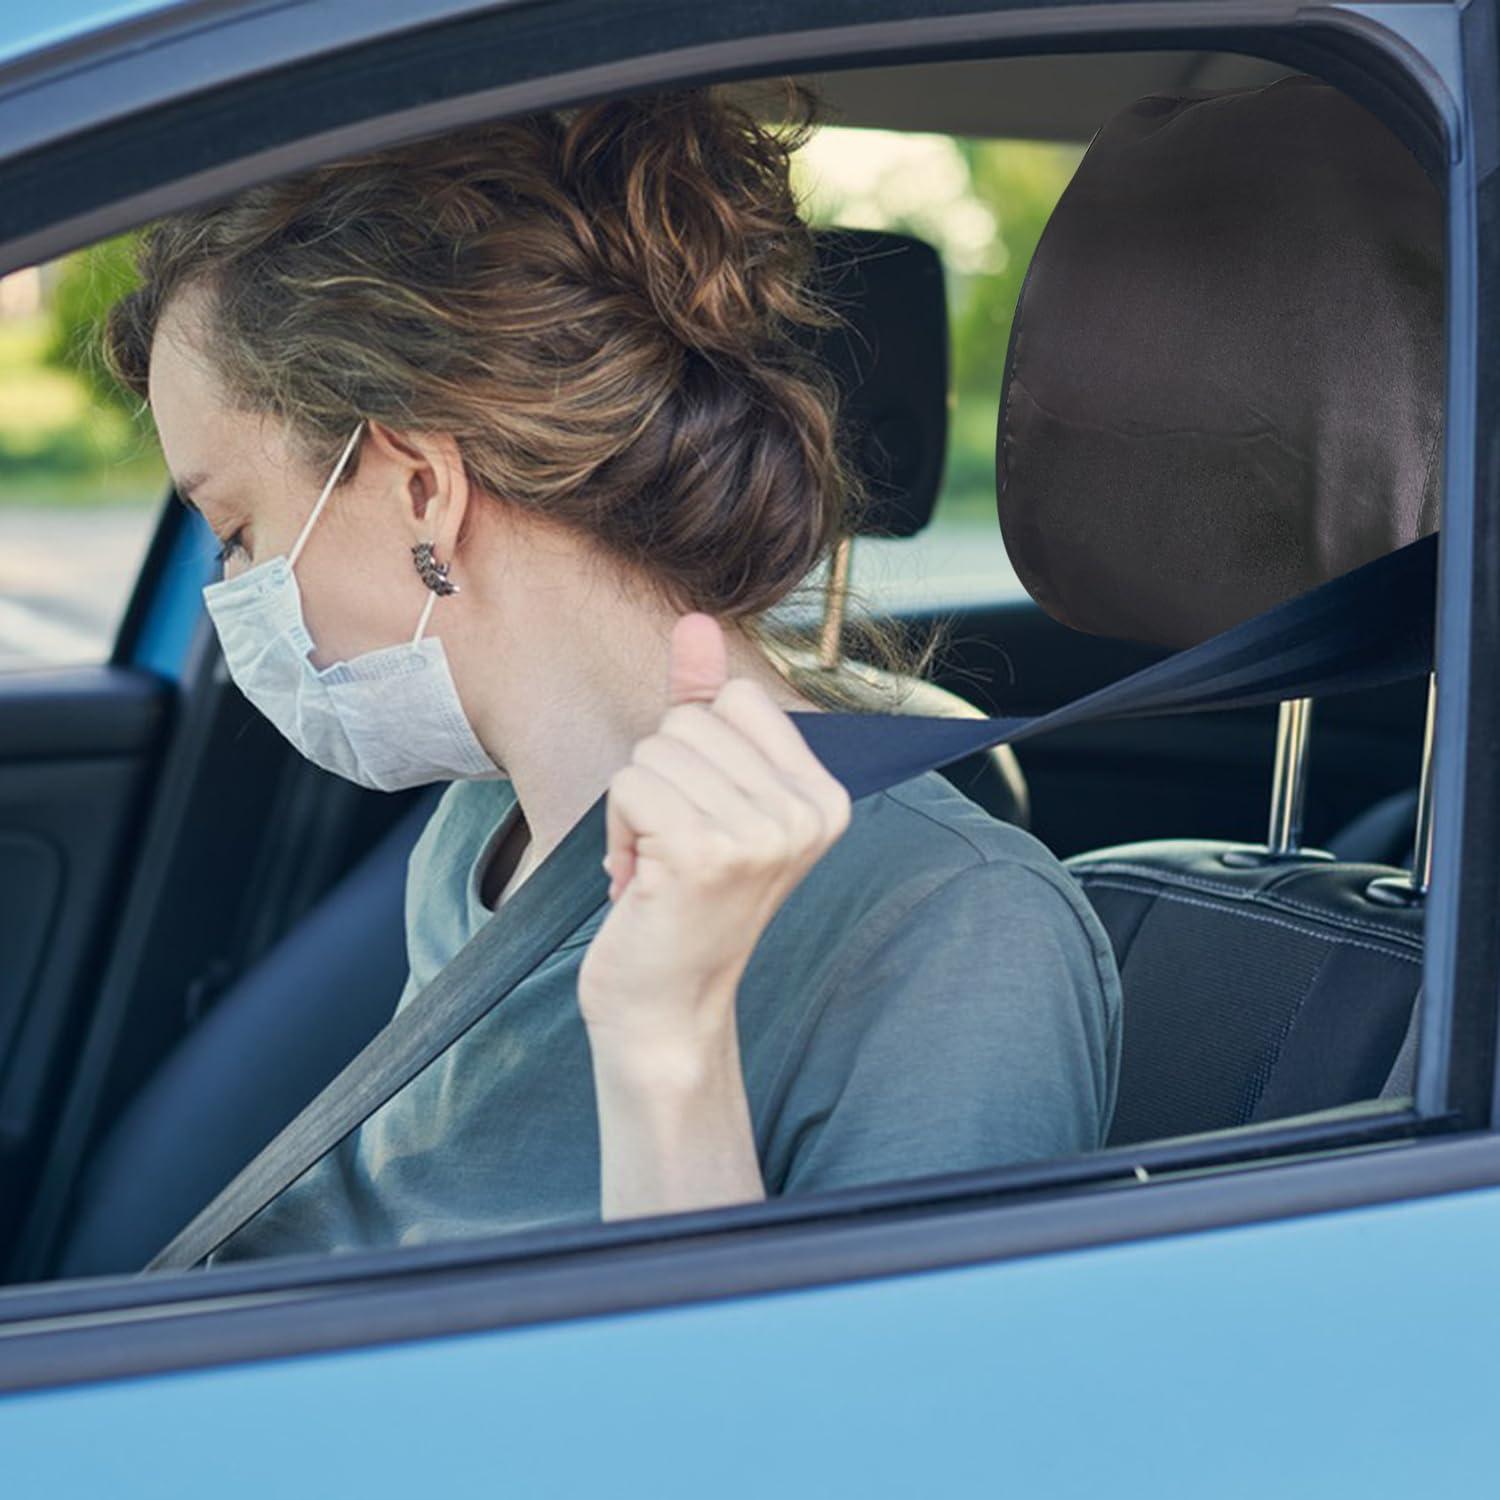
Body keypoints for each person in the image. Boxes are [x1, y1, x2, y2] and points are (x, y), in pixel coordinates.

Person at [102, 83, 1122, 1263]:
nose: (238, 593)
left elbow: (863, 1442)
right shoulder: (476, 834)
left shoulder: (957, 928)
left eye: (236, 531)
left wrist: (667, 1036)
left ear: (420, 488)